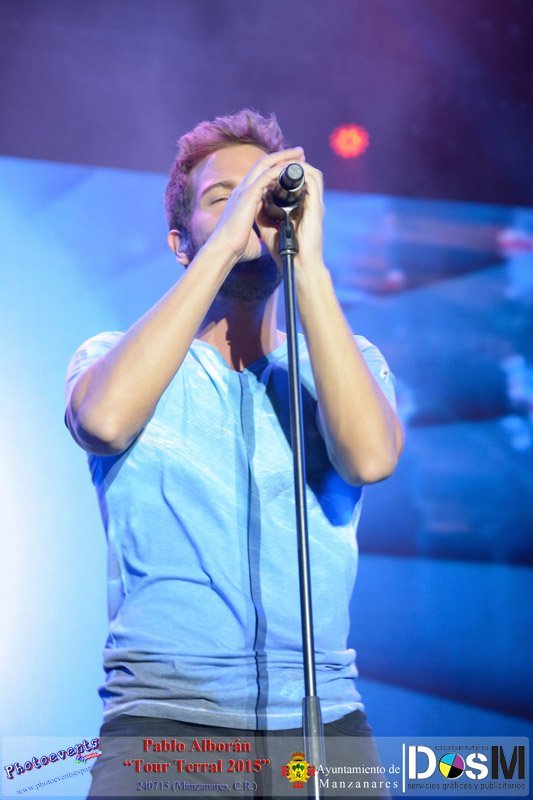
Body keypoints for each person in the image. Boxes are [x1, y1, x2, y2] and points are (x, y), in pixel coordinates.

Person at [64, 109, 403, 799]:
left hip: (323, 728)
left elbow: (369, 459)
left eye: (262, 194)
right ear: (180, 241)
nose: (250, 209)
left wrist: (307, 265)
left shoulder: (347, 362)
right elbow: (103, 421)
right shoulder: (111, 356)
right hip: (166, 727)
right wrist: (224, 244)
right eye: (223, 197)